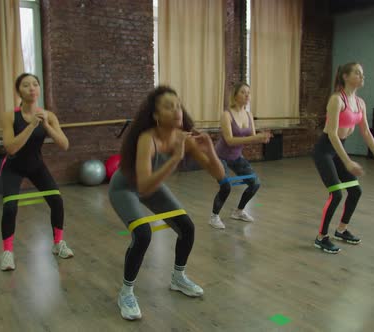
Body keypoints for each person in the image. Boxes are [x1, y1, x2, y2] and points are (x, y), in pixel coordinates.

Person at [108, 86, 225, 320]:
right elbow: (143, 187)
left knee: (187, 228)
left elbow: (220, 176)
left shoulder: (183, 137)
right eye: (168, 106)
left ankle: (178, 278)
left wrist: (211, 150)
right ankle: (126, 292)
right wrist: (175, 157)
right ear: (155, 115)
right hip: (125, 188)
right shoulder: (146, 138)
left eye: (178, 105)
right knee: (143, 234)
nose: (176, 110)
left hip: (152, 182)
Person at [0, 73, 73, 271]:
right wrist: (32, 125)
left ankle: (58, 243)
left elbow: (65, 144)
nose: (32, 88)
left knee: (57, 200)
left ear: (39, 89)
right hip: (13, 167)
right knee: (10, 207)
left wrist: (47, 125)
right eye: (26, 85)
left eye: (35, 84)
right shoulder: (10, 116)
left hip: (36, 165)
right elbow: (11, 148)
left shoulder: (48, 115)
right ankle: (7, 252)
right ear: (19, 92)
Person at [313, 62, 374, 254]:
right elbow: (332, 134)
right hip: (325, 150)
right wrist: (347, 161)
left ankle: (341, 230)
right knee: (336, 194)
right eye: (357, 73)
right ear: (345, 76)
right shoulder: (337, 100)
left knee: (355, 191)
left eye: (362, 74)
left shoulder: (360, 103)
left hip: (340, 149)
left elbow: (365, 132)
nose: (362, 77)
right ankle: (321, 237)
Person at [209, 82, 272, 229]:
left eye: (248, 93)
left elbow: (252, 137)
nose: (247, 95)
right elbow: (230, 141)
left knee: (255, 183)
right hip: (220, 156)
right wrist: (255, 138)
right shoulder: (226, 115)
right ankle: (214, 216)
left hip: (236, 156)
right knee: (226, 187)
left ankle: (238, 212)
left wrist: (262, 138)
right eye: (243, 92)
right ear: (235, 95)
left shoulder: (249, 115)